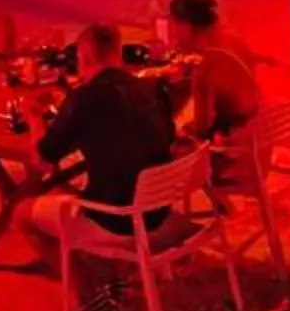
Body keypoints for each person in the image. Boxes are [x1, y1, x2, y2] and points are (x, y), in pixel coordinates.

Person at [28, 23, 178, 239]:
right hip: (158, 210)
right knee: (65, 186)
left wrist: (34, 118)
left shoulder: (83, 99)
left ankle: (89, 273)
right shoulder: (153, 88)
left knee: (23, 212)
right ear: (118, 54)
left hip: (118, 218)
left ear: (84, 57)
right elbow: (168, 139)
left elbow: (42, 161)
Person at [168, 0, 262, 150]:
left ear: (187, 27)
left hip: (240, 153)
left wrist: (179, 127)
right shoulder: (234, 41)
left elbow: (201, 127)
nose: (174, 34)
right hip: (259, 137)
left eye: (175, 26)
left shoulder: (206, 70)